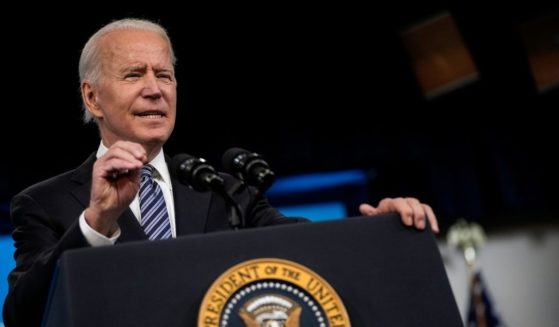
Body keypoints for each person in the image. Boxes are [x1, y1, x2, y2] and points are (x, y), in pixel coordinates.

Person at [2, 18, 439, 327]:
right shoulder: (46, 203)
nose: (155, 89)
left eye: (165, 75)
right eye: (135, 74)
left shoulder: (221, 188)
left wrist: (378, 232)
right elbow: (22, 315)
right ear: (93, 98)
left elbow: (302, 246)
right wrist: (97, 223)